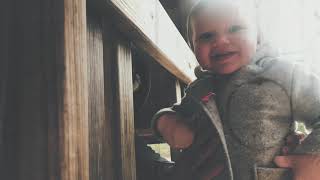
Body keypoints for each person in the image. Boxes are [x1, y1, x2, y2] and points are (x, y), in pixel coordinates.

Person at [151, 0, 320, 179]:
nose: (220, 41)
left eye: (235, 29)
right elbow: (174, 113)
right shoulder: (199, 90)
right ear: (193, 46)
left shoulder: (283, 74)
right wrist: (165, 122)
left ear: (258, 36)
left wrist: (309, 155)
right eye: (206, 36)